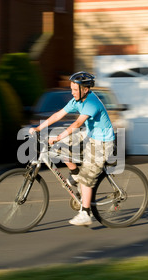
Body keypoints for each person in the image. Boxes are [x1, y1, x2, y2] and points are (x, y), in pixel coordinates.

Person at [29, 71, 115, 226]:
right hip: (90, 134)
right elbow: (58, 115)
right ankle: (75, 175)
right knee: (60, 146)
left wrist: (57, 136)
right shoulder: (77, 100)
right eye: (72, 88)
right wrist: (38, 128)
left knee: (86, 178)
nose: (72, 92)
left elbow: (76, 124)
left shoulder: (91, 103)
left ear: (85, 89)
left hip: (102, 142)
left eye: (75, 89)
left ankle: (85, 213)